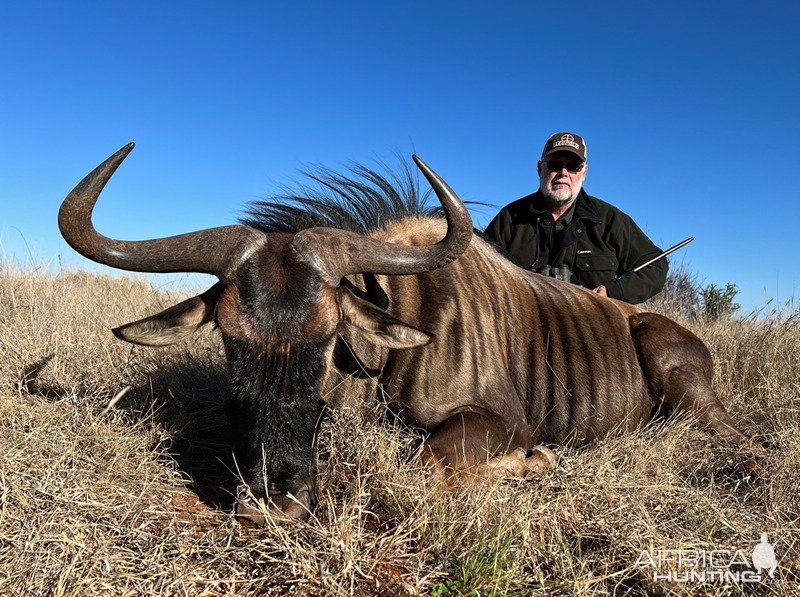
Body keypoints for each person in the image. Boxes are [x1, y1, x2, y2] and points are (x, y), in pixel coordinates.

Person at [484, 132, 666, 304]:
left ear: (584, 172)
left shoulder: (610, 220)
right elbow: (480, 273)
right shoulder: (509, 219)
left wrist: (613, 291)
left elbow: (655, 266)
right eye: (554, 164)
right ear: (540, 169)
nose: (563, 173)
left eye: (573, 166)